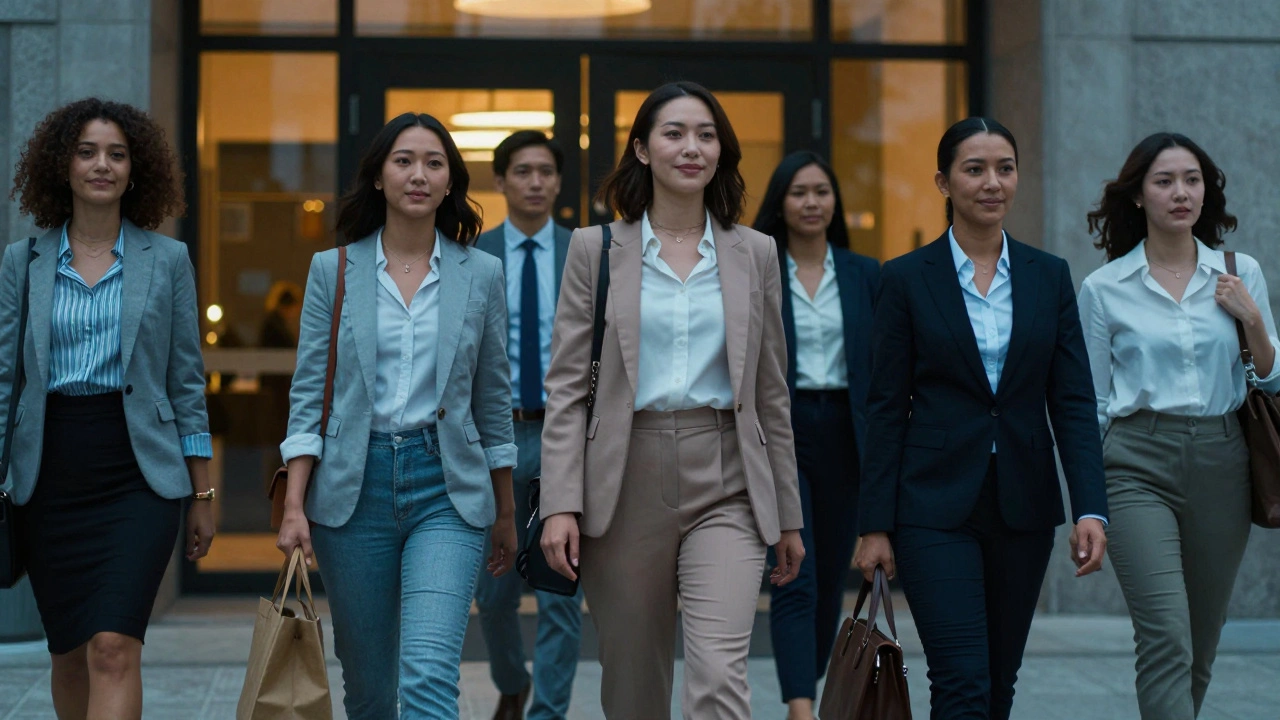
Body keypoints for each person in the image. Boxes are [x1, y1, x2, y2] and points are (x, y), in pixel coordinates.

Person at [538, 81, 805, 719]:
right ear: (641, 149)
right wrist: (559, 505)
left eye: (706, 135)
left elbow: (771, 393)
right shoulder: (594, 250)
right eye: (674, 133)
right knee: (633, 686)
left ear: (721, 153)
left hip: (728, 476)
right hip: (623, 477)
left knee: (718, 674)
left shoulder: (757, 253)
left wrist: (787, 514)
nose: (692, 147)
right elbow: (568, 390)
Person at [853, 117, 1110, 720]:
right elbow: (885, 408)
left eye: (1005, 168)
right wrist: (875, 524)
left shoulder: (1049, 276)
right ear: (944, 182)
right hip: (932, 507)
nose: (992, 183)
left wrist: (1090, 507)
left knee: (998, 685)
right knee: (961, 679)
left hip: (1022, 504)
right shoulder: (906, 279)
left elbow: (1072, 400)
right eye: (974, 169)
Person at [274, 112, 519, 720]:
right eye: (403, 161)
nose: (418, 174)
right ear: (379, 178)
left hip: (447, 488)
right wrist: (294, 506)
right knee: (371, 688)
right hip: (353, 491)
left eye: (434, 163)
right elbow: (308, 395)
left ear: (450, 183)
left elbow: (492, 400)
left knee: (431, 673)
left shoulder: (481, 273)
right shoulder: (333, 271)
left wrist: (506, 510)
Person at [0, 97, 215, 720]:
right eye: (87, 152)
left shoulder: (167, 260)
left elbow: (185, 380)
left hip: (138, 474)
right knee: (68, 650)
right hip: (49, 472)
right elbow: (5, 378)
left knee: (114, 646)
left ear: (135, 168)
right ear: (61, 167)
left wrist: (200, 495)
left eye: (117, 154)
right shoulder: (24, 262)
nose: (102, 165)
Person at [1078, 133, 1276, 720]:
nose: (1180, 193)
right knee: (1166, 633)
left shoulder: (1240, 273)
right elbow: (1092, 401)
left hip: (1223, 458)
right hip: (1136, 461)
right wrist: (1087, 502)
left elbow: (1269, 374)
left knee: (1201, 642)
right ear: (1138, 196)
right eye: (1164, 181)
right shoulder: (1104, 288)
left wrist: (1253, 320)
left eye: (1191, 179)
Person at [752, 151, 878, 720]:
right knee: (794, 569)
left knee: (830, 577)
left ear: (835, 202)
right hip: (783, 427)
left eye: (821, 192)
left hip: (847, 434)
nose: (811, 203)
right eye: (799, 192)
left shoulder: (864, 273)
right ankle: (800, 707)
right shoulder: (758, 268)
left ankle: (814, 685)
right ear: (781, 202)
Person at [474, 130, 582, 720]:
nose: (535, 182)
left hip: (564, 436)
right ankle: (512, 680)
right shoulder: (473, 254)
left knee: (560, 592)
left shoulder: (586, 252)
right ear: (501, 181)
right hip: (495, 439)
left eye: (545, 171)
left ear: (559, 181)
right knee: (492, 594)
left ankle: (548, 714)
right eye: (522, 172)